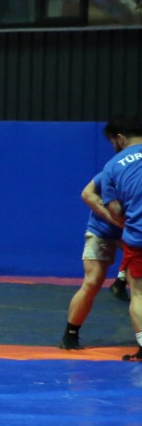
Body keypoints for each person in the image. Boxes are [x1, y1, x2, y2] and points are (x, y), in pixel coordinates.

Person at [62, 117, 138, 349]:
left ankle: (121, 281)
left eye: (112, 141)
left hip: (131, 230)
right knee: (93, 281)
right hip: (105, 230)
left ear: (120, 138)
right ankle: (71, 333)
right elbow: (87, 194)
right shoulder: (114, 167)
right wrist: (117, 221)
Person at [95, 117, 142, 360]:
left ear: (120, 138)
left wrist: (129, 221)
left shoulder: (112, 166)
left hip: (138, 235)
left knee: (139, 293)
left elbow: (114, 210)